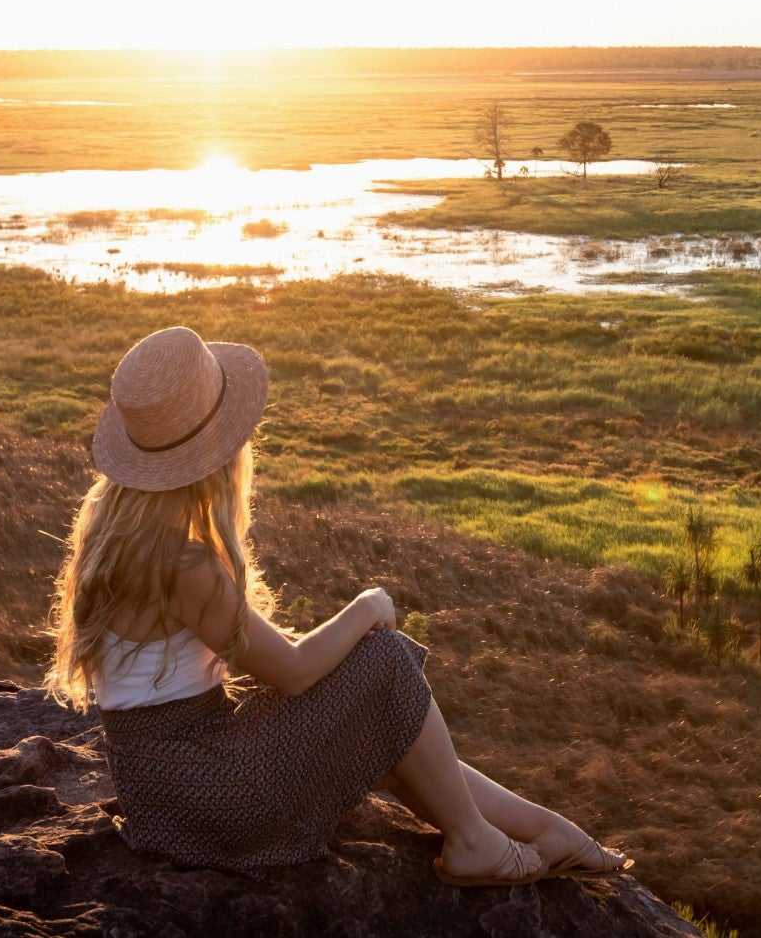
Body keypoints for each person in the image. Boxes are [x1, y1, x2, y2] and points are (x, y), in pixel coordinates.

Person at [45, 326, 630, 887]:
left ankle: (544, 829)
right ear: (216, 455)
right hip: (206, 791)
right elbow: (296, 671)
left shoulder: (116, 530)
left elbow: (272, 664)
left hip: (165, 789)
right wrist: (368, 604)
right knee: (386, 660)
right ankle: (476, 843)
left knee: (375, 707)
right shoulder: (184, 564)